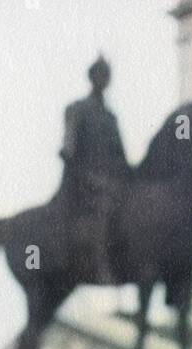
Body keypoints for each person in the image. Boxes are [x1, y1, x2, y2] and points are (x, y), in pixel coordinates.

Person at [60, 55, 128, 284]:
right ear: (92, 78)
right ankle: (102, 268)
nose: (103, 80)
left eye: (106, 76)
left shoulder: (111, 117)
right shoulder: (77, 109)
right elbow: (68, 152)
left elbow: (121, 158)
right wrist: (90, 179)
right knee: (104, 208)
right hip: (82, 181)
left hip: (109, 183)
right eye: (99, 75)